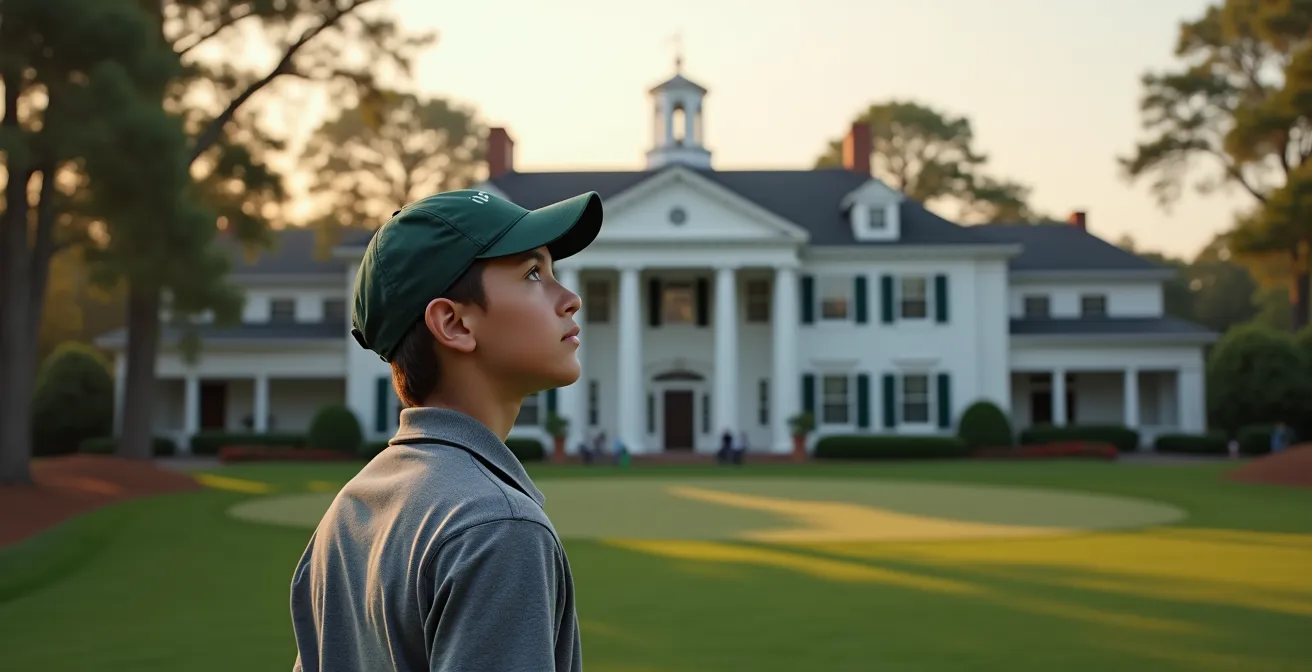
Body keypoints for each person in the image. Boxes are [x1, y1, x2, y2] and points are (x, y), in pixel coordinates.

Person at [289, 188, 604, 672]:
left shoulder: (347, 513)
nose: (571, 299)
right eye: (533, 273)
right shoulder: (498, 528)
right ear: (453, 324)